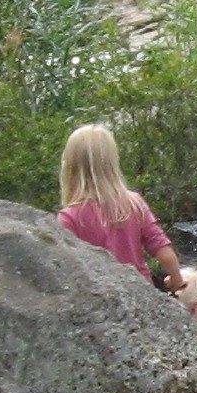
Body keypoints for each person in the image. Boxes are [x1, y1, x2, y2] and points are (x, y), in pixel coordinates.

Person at [56, 123, 188, 294]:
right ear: (112, 162)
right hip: (140, 293)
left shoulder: (69, 218)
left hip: (98, 297)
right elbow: (162, 250)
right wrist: (176, 279)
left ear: (69, 166)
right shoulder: (134, 203)